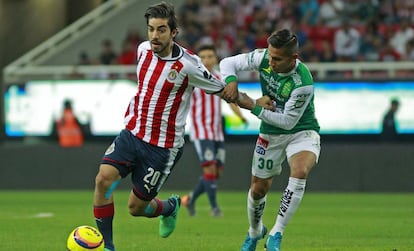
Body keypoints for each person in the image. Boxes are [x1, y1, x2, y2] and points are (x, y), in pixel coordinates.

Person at [92, 3, 234, 251]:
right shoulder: (142, 50)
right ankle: (108, 247)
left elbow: (225, 91)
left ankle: (169, 207)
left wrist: (256, 105)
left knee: (137, 208)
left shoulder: (189, 64)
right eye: (151, 29)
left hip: (162, 148)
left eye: (161, 30)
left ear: (174, 32)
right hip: (132, 134)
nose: (154, 36)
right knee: (103, 179)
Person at [220, 29, 321, 251]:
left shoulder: (302, 82)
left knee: (300, 170)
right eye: (270, 56)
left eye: (277, 59)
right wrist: (231, 82)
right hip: (270, 133)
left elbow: (287, 122)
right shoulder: (264, 57)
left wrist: (251, 105)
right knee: (258, 189)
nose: (271, 62)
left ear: (293, 58)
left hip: (301, 130)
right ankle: (255, 231)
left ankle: (276, 233)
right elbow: (227, 62)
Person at [182, 45, 247, 218]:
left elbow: (231, 100)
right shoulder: (193, 78)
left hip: (217, 132)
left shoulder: (220, 79)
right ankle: (215, 208)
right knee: (209, 170)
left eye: (210, 56)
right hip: (201, 131)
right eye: (202, 57)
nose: (206, 60)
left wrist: (241, 116)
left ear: (216, 59)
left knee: (216, 173)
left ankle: (190, 199)